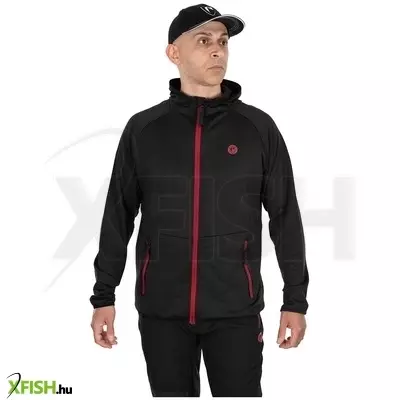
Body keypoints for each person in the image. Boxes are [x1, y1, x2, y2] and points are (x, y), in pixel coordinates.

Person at [89, 3, 309, 397]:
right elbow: (117, 216)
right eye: (203, 41)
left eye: (223, 42)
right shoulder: (144, 129)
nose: (217, 50)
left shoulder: (257, 128)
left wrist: (295, 301)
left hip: (236, 311)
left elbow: (285, 216)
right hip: (161, 311)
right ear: (173, 53)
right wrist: (103, 295)